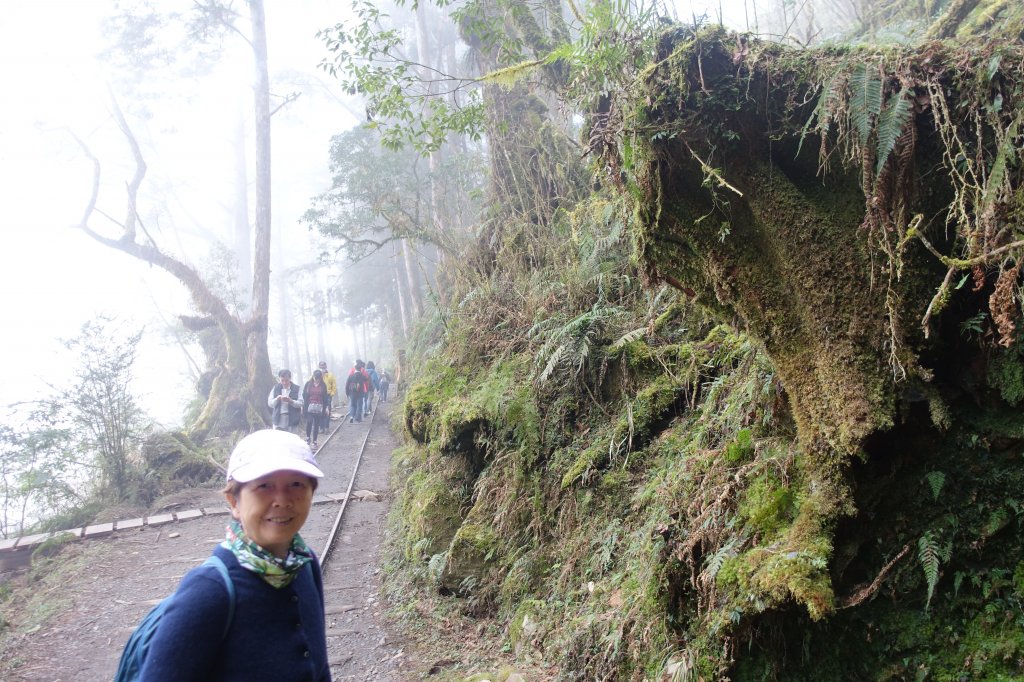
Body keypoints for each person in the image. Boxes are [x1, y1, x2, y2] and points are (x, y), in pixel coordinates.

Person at [136, 429, 331, 681]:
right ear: (234, 502)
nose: (282, 500)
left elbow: (321, 669)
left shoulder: (305, 564)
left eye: (296, 484)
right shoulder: (207, 592)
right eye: (264, 486)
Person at [302, 369, 328, 448]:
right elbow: (304, 394)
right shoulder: (308, 384)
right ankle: (308, 437)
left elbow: (325, 397)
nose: (316, 380)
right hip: (309, 406)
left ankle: (315, 441)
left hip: (319, 407)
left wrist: (326, 407)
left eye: (318, 378)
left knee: (316, 424)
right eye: (315, 378)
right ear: (313, 377)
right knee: (309, 421)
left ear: (321, 378)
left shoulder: (323, 385)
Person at [317, 361, 337, 428]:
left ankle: (326, 427)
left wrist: (332, 393)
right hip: (318, 395)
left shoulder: (330, 375)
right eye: (321, 365)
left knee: (327, 411)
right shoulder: (316, 374)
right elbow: (311, 382)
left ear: (326, 366)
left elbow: (334, 385)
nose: (322, 367)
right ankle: (321, 427)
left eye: (323, 365)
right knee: (319, 411)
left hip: (327, 395)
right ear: (319, 366)